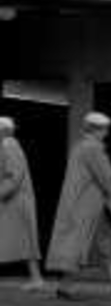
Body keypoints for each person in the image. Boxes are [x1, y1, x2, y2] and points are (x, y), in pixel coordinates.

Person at [45, 111, 111, 299]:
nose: (107, 133)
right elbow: (105, 177)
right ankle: (67, 286)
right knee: (87, 244)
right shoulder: (93, 148)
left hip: (84, 204)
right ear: (95, 130)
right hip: (88, 206)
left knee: (100, 244)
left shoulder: (81, 147)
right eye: (104, 129)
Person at [0, 115, 47, 291]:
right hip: (13, 201)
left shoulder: (9, 146)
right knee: (24, 241)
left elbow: (14, 175)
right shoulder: (6, 146)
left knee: (26, 241)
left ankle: (37, 279)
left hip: (15, 201)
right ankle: (36, 278)